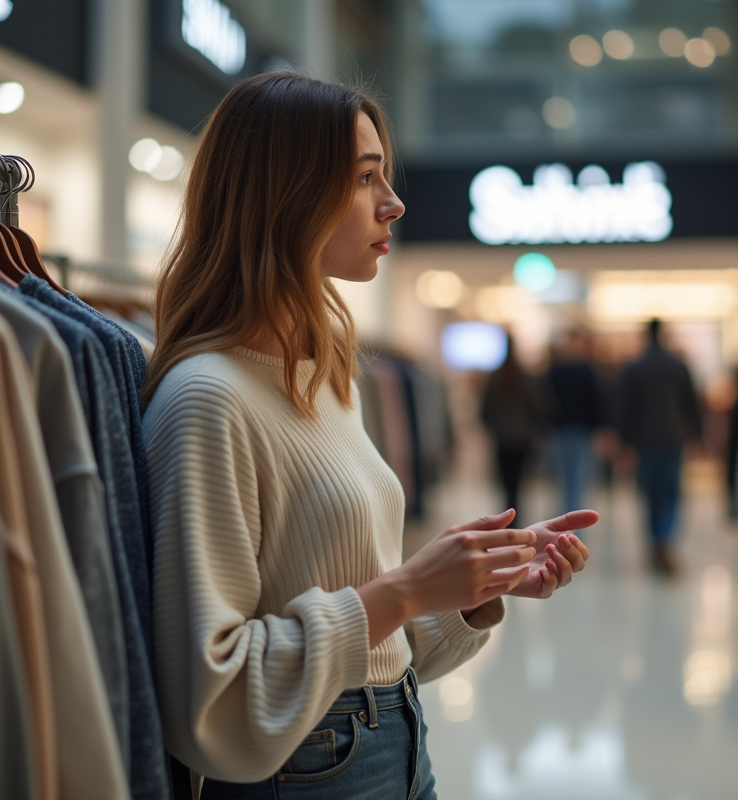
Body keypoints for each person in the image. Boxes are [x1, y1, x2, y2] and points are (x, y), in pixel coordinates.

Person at [140, 73, 595, 800]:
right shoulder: (208, 399)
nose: (394, 202)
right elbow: (213, 699)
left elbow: (371, 640)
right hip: (306, 770)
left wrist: (469, 589)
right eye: (364, 179)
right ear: (284, 192)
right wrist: (408, 587)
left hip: (393, 739)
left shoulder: (323, 378)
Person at [616, 318, 702, 575]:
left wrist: (625, 443)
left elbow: (625, 408)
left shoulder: (634, 367)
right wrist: (696, 436)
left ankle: (655, 542)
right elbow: (691, 404)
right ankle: (665, 539)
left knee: (650, 494)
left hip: (644, 441)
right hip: (673, 438)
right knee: (671, 493)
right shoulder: (678, 366)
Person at [480, 334, 547, 514]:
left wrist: (493, 427)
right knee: (518, 483)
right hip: (521, 438)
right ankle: (515, 516)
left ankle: (507, 516)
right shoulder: (524, 376)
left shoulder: (495, 377)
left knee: (505, 483)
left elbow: (485, 409)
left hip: (502, 438)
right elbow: (536, 406)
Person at [545, 328, 606, 521]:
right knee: (577, 480)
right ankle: (573, 523)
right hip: (579, 431)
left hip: (562, 431)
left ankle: (566, 520)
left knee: (564, 480)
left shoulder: (555, 370)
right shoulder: (585, 370)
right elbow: (595, 402)